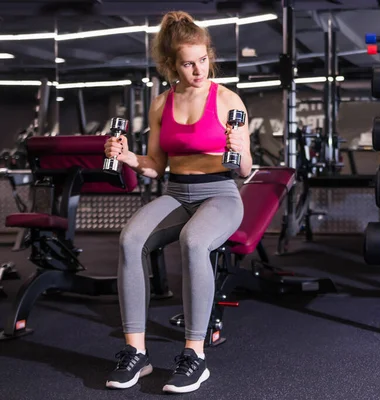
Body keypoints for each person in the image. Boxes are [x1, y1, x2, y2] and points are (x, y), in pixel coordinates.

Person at [103, 10, 251, 394]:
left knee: (193, 241)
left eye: (203, 60)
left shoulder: (227, 99)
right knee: (130, 238)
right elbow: (155, 165)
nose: (199, 70)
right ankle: (137, 353)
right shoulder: (160, 104)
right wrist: (127, 157)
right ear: (172, 65)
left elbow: (246, 170)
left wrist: (241, 150)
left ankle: (194, 356)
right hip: (176, 192)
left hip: (220, 193)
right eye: (188, 63)